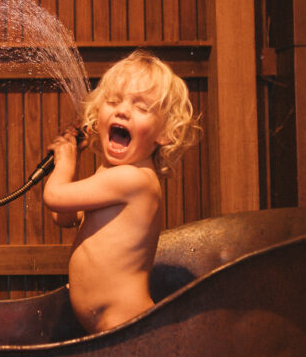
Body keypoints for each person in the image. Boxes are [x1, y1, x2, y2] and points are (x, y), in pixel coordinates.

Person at [42, 50, 200, 334]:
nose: (123, 110)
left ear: (165, 133)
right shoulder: (110, 177)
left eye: (142, 107)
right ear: (96, 116)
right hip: (108, 328)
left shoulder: (134, 180)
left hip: (127, 324)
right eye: (113, 101)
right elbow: (63, 216)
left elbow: (54, 197)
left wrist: (65, 161)